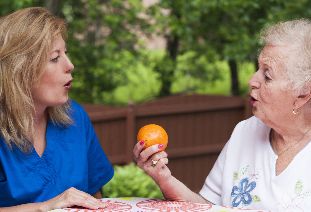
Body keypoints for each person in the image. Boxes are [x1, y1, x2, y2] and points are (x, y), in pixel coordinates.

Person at [133, 19, 311, 211]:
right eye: (258, 69)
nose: (252, 80)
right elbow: (209, 207)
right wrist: (163, 178)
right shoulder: (244, 132)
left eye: (267, 75)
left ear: (302, 94)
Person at [0, 7, 114, 211]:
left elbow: (95, 197)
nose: (70, 65)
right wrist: (45, 207)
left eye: (66, 54)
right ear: (19, 70)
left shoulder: (76, 117)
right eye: (54, 58)